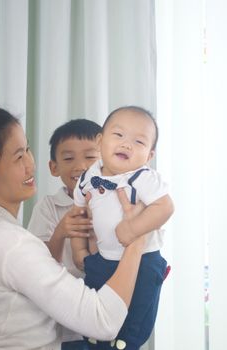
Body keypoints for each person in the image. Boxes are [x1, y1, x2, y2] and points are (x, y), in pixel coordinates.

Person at [0, 107, 148, 350]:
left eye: (27, 149)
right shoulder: (11, 242)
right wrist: (138, 235)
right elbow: (103, 320)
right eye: (18, 157)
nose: (30, 165)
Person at [71, 106, 174, 350]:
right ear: (100, 140)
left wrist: (133, 229)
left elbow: (165, 207)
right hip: (104, 257)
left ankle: (126, 342)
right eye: (118, 135)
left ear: (149, 155)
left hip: (144, 260)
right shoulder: (88, 177)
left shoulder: (143, 178)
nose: (127, 144)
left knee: (138, 312)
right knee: (98, 305)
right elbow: (79, 213)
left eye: (138, 141)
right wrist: (78, 251)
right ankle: (98, 339)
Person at [28, 119, 102, 348]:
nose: (80, 166)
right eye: (69, 158)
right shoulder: (47, 207)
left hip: (107, 313)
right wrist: (61, 231)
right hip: (67, 325)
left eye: (90, 157)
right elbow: (37, 267)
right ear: (54, 167)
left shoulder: (117, 203)